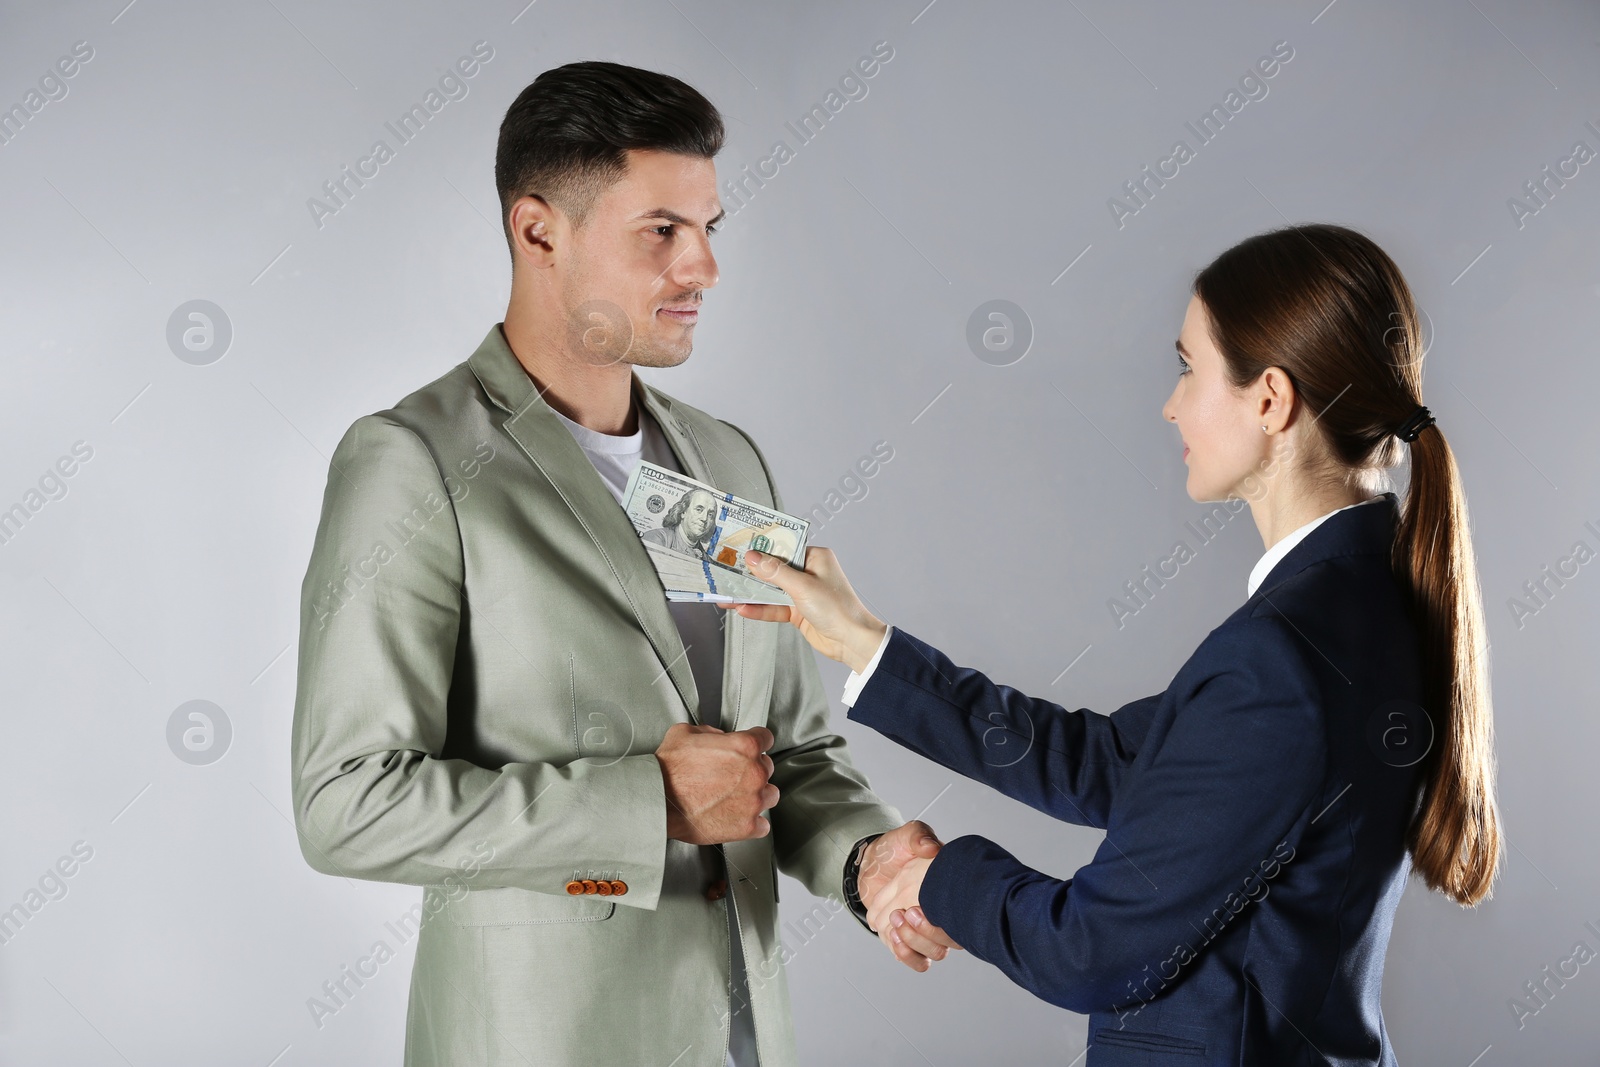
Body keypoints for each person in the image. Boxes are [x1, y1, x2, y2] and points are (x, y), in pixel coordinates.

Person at [289, 61, 941, 1067]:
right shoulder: (412, 460)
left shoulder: (729, 460)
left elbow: (792, 756)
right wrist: (647, 803)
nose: (704, 270)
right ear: (538, 230)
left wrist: (867, 858)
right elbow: (348, 802)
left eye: (708, 230)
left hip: (743, 1034)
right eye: (662, 233)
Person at [729, 223, 1502, 1065]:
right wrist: (865, 644)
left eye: (1188, 368)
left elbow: (1093, 950)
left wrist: (935, 878)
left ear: (1270, 400)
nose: (1172, 403)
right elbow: (1113, 762)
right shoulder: (1361, 603)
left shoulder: (1284, 655)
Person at [643, 486, 718, 556]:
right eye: (698, 510)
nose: (704, 518)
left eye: (710, 515)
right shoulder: (657, 539)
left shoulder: (706, 559)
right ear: (683, 512)